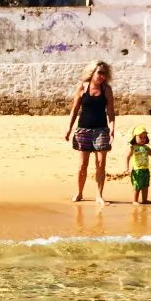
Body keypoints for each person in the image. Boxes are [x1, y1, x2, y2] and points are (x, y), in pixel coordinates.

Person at [65, 60, 116, 203]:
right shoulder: (82, 87)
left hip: (101, 130)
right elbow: (74, 110)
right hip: (83, 130)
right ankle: (80, 193)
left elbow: (111, 112)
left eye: (104, 74)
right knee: (82, 165)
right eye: (99, 72)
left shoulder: (107, 90)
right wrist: (69, 128)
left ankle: (99, 195)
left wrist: (112, 129)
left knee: (101, 164)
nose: (102, 76)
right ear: (92, 73)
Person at [125, 125, 151, 204]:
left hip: (145, 170)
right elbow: (127, 157)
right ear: (135, 137)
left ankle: (144, 200)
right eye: (140, 137)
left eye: (144, 137)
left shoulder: (146, 148)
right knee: (137, 186)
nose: (143, 139)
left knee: (145, 186)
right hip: (137, 170)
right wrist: (127, 168)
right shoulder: (133, 147)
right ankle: (135, 201)